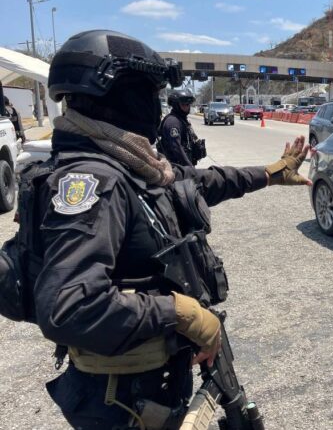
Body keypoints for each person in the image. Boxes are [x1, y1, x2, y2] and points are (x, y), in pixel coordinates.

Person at [32, 29, 311, 429]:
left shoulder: (131, 165)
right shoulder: (93, 181)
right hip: (122, 399)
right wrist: (179, 312)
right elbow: (68, 307)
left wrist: (270, 173)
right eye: (149, 92)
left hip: (150, 381)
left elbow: (201, 182)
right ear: (119, 94)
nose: (155, 104)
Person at [159, 88, 204, 166]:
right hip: (176, 167)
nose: (187, 107)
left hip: (183, 167)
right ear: (175, 105)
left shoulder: (181, 119)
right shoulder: (173, 122)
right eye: (183, 104)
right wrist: (190, 167)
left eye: (188, 104)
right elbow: (176, 147)